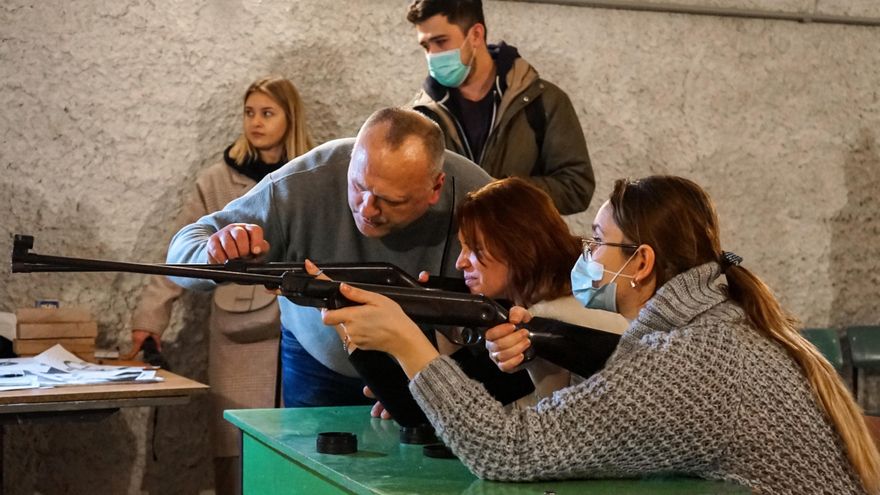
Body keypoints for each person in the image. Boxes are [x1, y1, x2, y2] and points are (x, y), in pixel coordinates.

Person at [322, 175, 880, 494]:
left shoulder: (692, 358)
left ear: (640, 262)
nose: (583, 256)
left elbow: (506, 450)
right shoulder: (721, 325)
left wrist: (405, 344)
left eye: (595, 243)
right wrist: (537, 360)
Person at [165, 107, 526, 411]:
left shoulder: (475, 193)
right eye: (358, 186)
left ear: (436, 187)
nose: (367, 209)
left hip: (434, 364)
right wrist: (215, 251)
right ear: (352, 160)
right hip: (318, 363)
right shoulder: (303, 182)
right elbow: (181, 253)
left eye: (392, 200)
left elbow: (533, 277)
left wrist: (438, 379)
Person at [128, 76, 313, 494]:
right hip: (238, 334)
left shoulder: (309, 175)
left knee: (301, 446)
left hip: (300, 327)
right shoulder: (217, 180)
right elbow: (180, 251)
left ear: (290, 117)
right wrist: (150, 319)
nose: (256, 123)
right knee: (235, 444)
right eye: (250, 113)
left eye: (268, 113)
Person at [406, 0, 595, 215]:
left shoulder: (543, 101)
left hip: (519, 246)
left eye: (441, 41)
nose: (432, 55)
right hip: (451, 247)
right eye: (425, 46)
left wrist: (504, 191)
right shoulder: (420, 114)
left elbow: (577, 187)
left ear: (476, 35)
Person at [450, 177, 627, 401]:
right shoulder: (586, 295)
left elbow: (545, 424)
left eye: (475, 248)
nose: (460, 262)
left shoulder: (546, 317)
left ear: (517, 246)